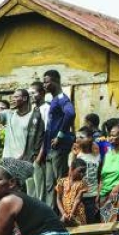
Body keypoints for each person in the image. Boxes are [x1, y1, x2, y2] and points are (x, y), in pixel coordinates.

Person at [39, 69, 76, 204]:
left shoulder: (62, 98)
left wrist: (60, 135)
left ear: (55, 82)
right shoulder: (54, 99)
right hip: (50, 149)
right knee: (50, 185)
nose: (44, 85)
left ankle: (64, 214)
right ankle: (51, 215)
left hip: (58, 148)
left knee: (60, 182)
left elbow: (70, 114)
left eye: (46, 82)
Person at [70, 128, 101, 223]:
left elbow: (100, 177)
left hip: (93, 195)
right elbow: (71, 176)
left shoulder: (97, 155)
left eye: (81, 137)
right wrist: (74, 156)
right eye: (77, 137)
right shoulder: (76, 155)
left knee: (93, 223)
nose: (78, 139)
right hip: (79, 196)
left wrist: (98, 195)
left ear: (90, 138)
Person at [55, 161, 89, 226]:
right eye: (80, 171)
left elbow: (77, 200)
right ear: (72, 169)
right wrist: (63, 213)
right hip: (65, 214)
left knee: (80, 232)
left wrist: (72, 214)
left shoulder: (82, 184)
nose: (82, 174)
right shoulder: (62, 182)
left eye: (84, 172)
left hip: (78, 214)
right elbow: (58, 199)